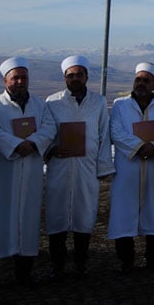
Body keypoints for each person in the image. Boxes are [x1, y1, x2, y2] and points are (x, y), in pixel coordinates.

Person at [0, 56, 58, 290]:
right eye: (15, 78)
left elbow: (49, 127)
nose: (20, 82)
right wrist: (15, 145)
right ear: (5, 80)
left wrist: (32, 143)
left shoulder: (40, 105)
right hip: (2, 173)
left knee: (27, 220)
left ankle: (24, 272)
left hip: (30, 169)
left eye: (24, 77)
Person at [44, 55, 115, 279]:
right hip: (60, 167)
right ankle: (57, 265)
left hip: (87, 167)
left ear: (86, 77)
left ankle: (81, 264)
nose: (75, 79)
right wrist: (50, 151)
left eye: (79, 75)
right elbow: (46, 133)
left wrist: (103, 167)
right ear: (65, 78)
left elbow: (104, 134)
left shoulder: (98, 102)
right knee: (57, 215)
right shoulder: (52, 102)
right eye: (71, 75)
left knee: (84, 215)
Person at [108, 63, 154, 272]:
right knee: (123, 212)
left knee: (153, 211)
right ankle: (126, 260)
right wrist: (138, 147)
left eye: (146, 80)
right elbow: (116, 131)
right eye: (138, 80)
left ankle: (153, 258)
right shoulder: (120, 105)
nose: (141, 84)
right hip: (127, 168)